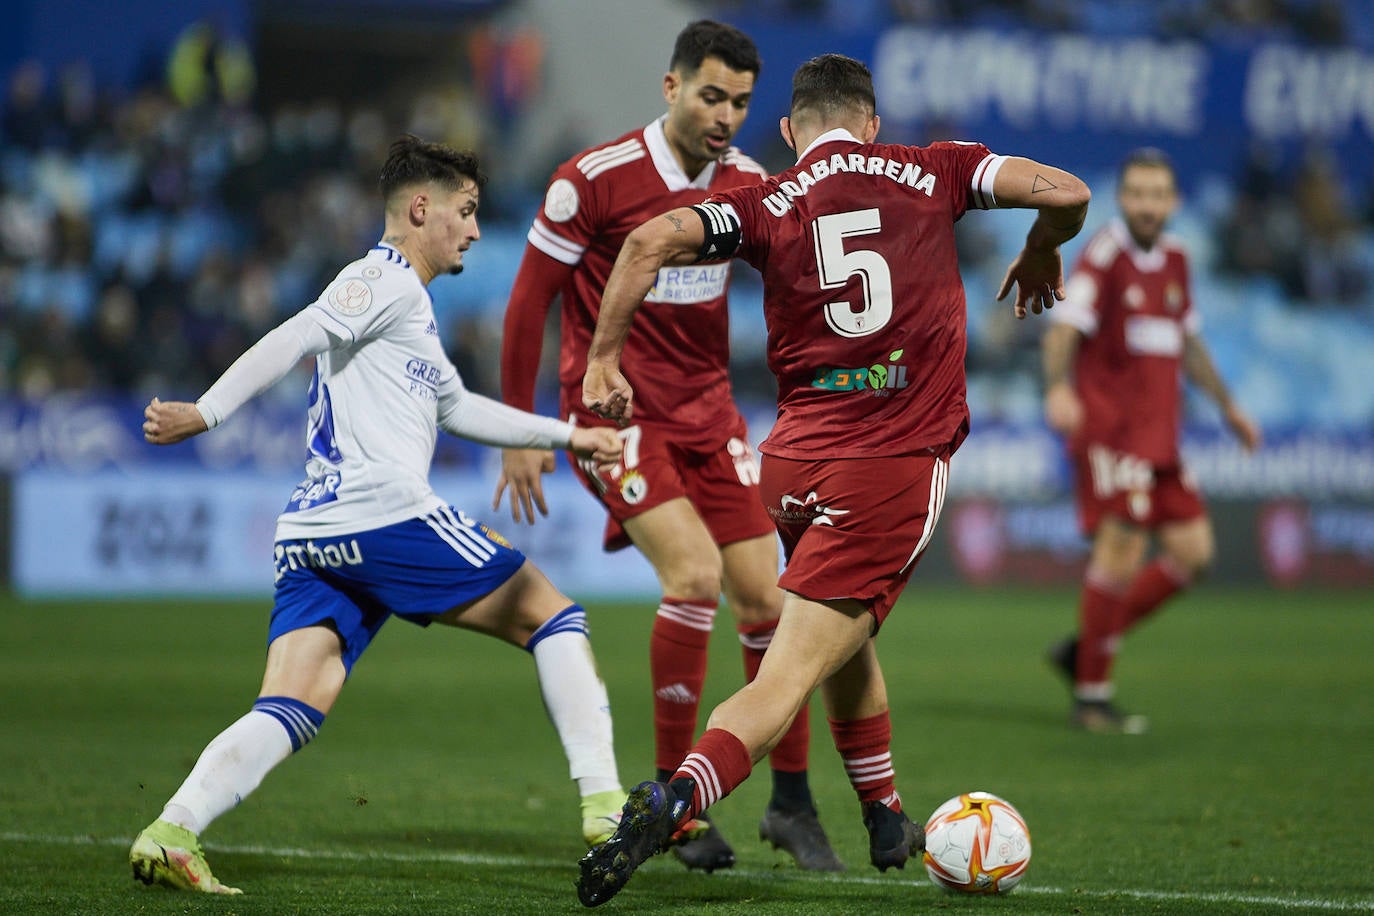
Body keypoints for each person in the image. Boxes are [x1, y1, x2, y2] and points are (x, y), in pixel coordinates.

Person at [574, 53, 1092, 906]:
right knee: (788, 674)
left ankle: (885, 813)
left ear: (789, 131)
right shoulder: (935, 169)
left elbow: (647, 240)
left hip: (791, 464)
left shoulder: (767, 200)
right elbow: (1068, 193)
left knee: (842, 626)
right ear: (872, 122)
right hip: (887, 466)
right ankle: (675, 798)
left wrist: (602, 360)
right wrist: (1041, 250)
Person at [128, 135, 627, 895]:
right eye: (464, 211)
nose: (473, 229)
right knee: (553, 617)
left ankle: (172, 829)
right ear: (419, 208)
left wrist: (571, 435)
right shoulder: (379, 277)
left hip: (313, 534)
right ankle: (604, 805)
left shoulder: (411, 311)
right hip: (380, 514)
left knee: (295, 699)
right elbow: (297, 333)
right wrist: (207, 411)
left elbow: (457, 408)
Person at [494, 20, 840, 873]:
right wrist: (519, 429)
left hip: (710, 417)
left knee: (772, 600)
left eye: (741, 103)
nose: (725, 116)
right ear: (670, 86)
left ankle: (790, 802)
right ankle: (670, 806)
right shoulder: (595, 182)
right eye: (711, 95)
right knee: (694, 576)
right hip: (615, 418)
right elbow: (528, 303)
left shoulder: (751, 183)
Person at [1041, 148, 1261, 734]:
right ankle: (1091, 698)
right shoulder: (1105, 255)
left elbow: (1188, 342)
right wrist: (1059, 389)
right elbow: (1064, 328)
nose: (1145, 204)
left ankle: (1084, 647)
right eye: (1135, 193)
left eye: (1156, 194)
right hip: (1112, 435)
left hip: (1161, 438)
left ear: (1173, 201)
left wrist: (1231, 408)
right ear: (1123, 198)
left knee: (1194, 554)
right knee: (1122, 552)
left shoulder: (1178, 259)